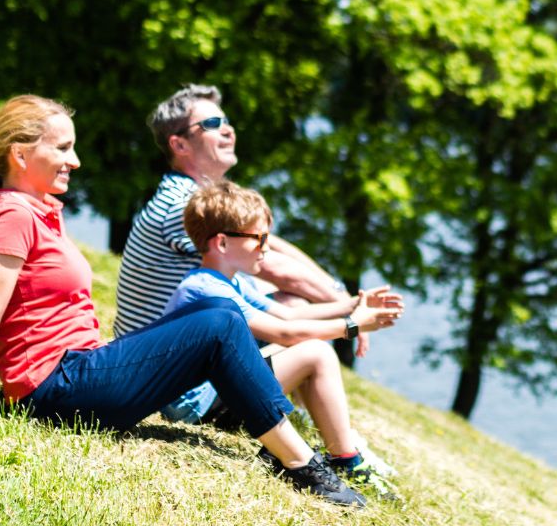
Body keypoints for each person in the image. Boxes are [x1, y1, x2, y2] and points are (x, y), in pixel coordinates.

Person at [0, 95, 368, 507]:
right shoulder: (10, 214)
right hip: (57, 388)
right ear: (21, 154)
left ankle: (290, 451)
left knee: (220, 311)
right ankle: (300, 463)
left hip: (78, 370)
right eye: (63, 148)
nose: (76, 160)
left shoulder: (42, 210)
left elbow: (20, 313)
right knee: (221, 325)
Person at [115, 85, 391, 426]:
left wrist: (345, 297)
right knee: (301, 322)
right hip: (171, 371)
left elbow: (272, 245)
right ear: (180, 144)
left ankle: (307, 417)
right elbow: (278, 269)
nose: (229, 129)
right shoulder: (182, 206)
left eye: (227, 120)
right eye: (213, 123)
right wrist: (349, 308)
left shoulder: (197, 199)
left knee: (295, 308)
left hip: (181, 354)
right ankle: (314, 427)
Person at [172, 180, 401, 489]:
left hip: (214, 394)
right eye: (259, 238)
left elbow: (289, 314)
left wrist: (352, 305)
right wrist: (352, 326)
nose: (266, 247)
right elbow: (283, 331)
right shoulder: (207, 288)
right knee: (316, 353)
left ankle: (339, 451)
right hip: (197, 408)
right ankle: (346, 459)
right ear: (223, 244)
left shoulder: (227, 281)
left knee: (313, 347)